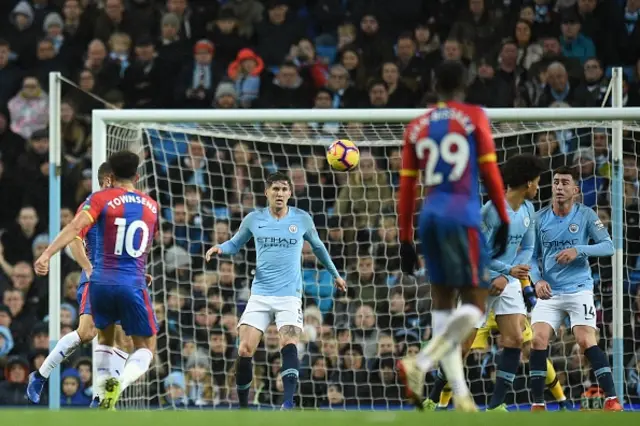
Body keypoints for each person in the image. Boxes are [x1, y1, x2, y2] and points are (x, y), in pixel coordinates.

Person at [396, 60, 510, 412]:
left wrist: (404, 238)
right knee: (476, 305)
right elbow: (489, 170)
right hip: (462, 215)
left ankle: (461, 396)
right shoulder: (474, 116)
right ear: (465, 83)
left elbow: (406, 187)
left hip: (430, 216)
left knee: (443, 306)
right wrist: (503, 215)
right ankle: (422, 362)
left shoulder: (416, 126)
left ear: (434, 84)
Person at [422, 154, 568, 411]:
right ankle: (433, 399)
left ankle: (496, 405)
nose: (537, 186)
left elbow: (528, 246)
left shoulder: (528, 209)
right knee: (463, 345)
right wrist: (503, 270)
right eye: (536, 182)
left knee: (513, 337)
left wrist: (510, 273)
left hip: (509, 281)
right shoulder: (490, 211)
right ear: (526, 183)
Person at [205, 171, 346, 410]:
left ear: (290, 193)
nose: (279, 193)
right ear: (267, 192)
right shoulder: (253, 219)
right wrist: (220, 248)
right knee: (244, 348)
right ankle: (242, 409)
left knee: (288, 342)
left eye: (283, 189)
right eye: (275, 189)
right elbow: (235, 243)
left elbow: (319, 247)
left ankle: (288, 403)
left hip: (289, 295)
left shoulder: (301, 219)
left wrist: (335, 274)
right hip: (260, 295)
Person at [34, 151, 159, 410]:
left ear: (111, 177)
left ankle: (101, 398)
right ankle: (53, 378)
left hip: (108, 279)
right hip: (106, 277)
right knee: (120, 341)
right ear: (136, 176)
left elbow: (76, 231)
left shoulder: (104, 201)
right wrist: (88, 267)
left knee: (113, 338)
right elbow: (75, 238)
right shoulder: (146, 204)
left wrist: (46, 254)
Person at [528, 166, 622, 411]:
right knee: (537, 340)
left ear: (575, 190)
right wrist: (537, 280)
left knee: (584, 339)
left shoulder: (586, 215)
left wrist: (579, 250)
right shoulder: (539, 219)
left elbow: (608, 246)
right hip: (549, 291)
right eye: (556, 182)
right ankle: (538, 404)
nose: (559, 186)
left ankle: (612, 399)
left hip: (579, 287)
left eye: (564, 183)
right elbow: (530, 256)